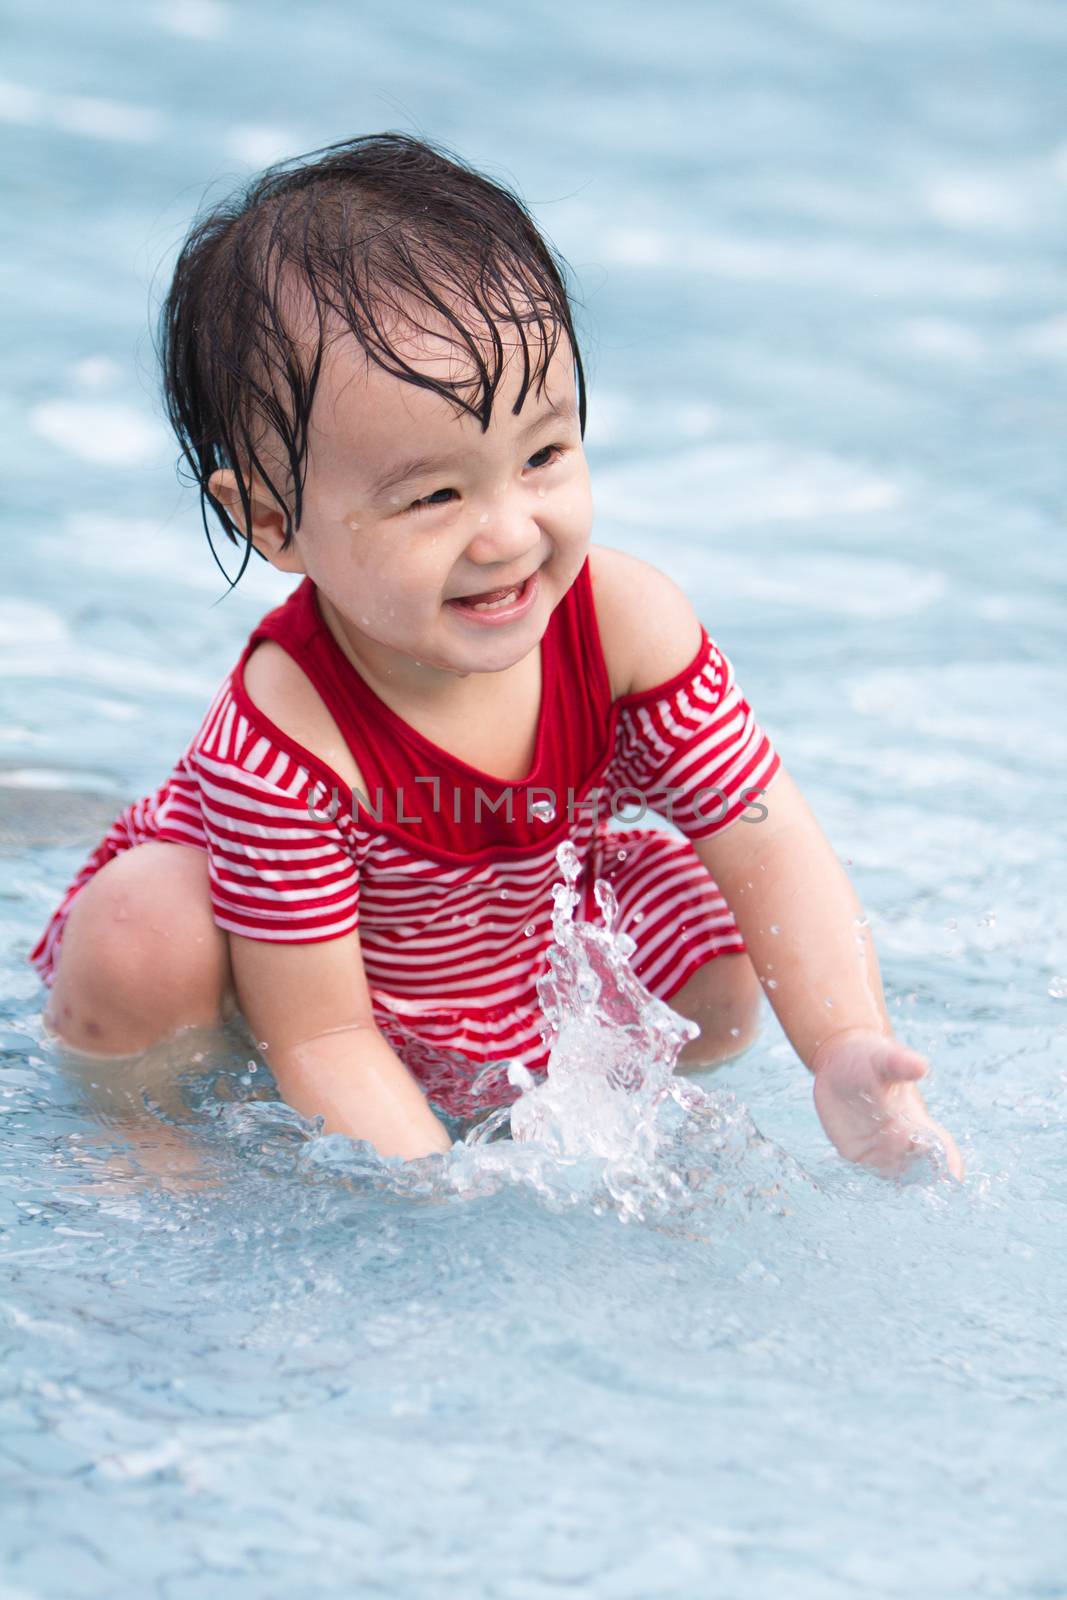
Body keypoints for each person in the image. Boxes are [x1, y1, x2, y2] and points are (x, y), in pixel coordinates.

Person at [28, 133, 963, 1178]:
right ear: (271, 521)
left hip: (497, 937)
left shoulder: (623, 630)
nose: (508, 532)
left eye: (543, 455)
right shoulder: (282, 744)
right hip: (291, 981)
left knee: (715, 942)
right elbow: (324, 1040)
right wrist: (446, 1208)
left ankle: (492, 1074)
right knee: (141, 926)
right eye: (435, 494)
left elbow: (768, 839)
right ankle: (141, 1138)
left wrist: (838, 1045)